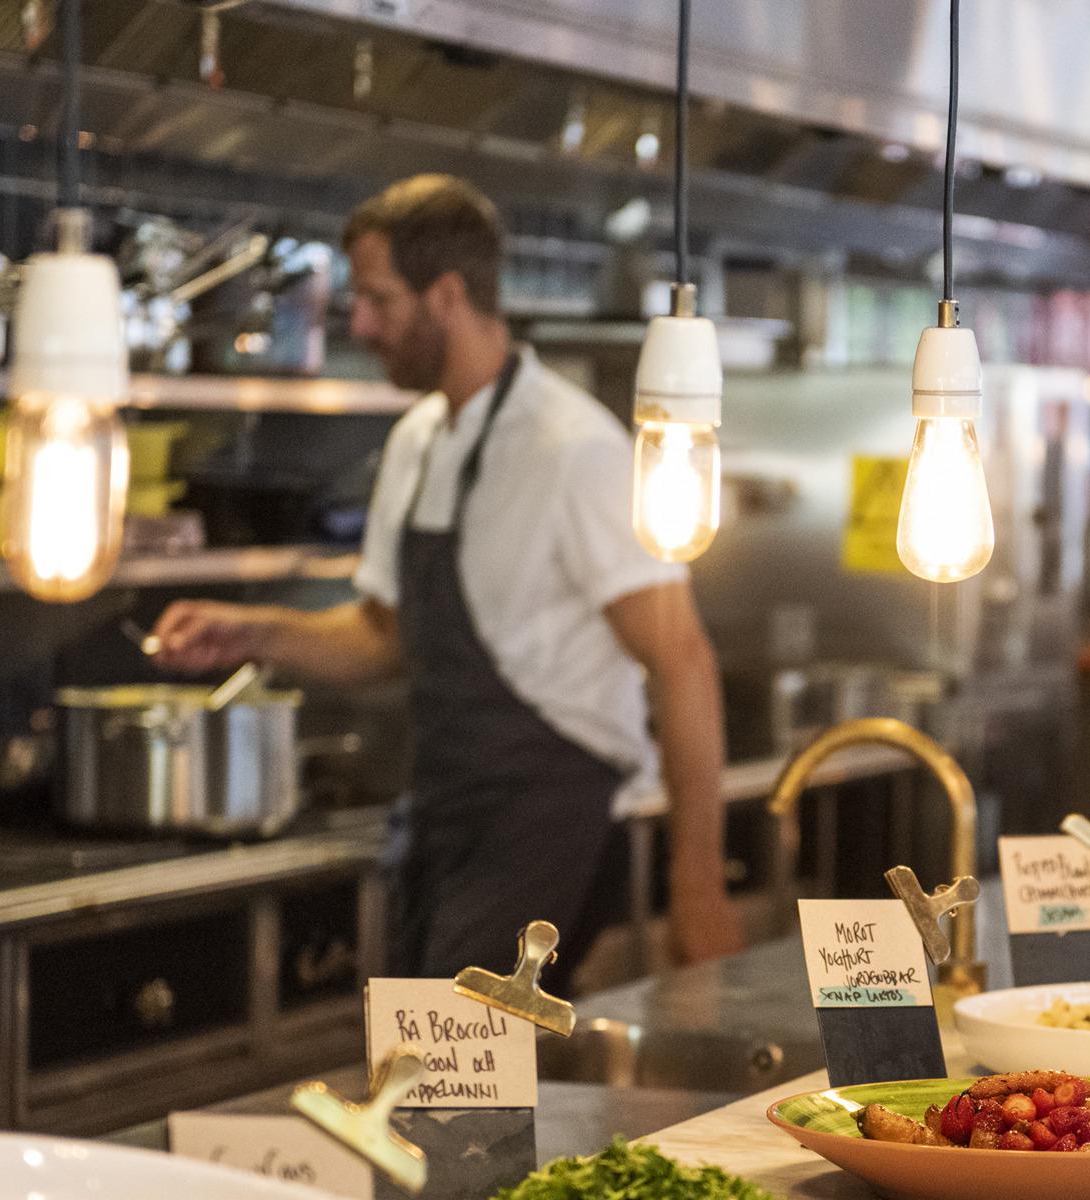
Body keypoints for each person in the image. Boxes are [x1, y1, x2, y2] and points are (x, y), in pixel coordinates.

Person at [150, 174, 743, 985]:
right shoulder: (419, 440)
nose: (360, 325)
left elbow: (683, 661)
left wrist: (697, 885)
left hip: (550, 822)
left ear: (449, 295)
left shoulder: (576, 451)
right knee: (421, 1078)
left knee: (452, 1084)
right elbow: (382, 637)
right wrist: (254, 634)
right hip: (438, 812)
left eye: (379, 300)